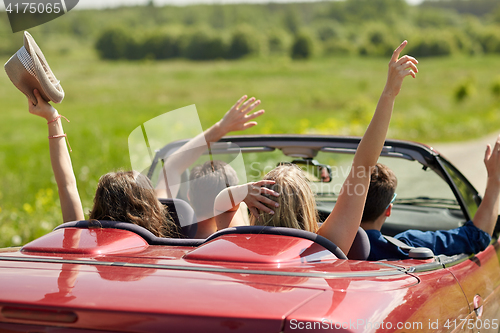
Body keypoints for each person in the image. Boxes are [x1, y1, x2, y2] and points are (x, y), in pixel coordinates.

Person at [214, 40, 419, 256]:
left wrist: (242, 191)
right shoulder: (322, 248)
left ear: (255, 206)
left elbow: (221, 204)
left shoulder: (235, 243)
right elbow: (364, 164)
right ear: (307, 208)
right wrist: (389, 93)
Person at [155, 95, 263, 238]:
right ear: (234, 205)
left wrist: (221, 127)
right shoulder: (238, 242)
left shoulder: (162, 231)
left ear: (189, 196)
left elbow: (172, 166)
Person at [360, 150, 500, 260]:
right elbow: (476, 237)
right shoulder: (406, 246)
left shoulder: (338, 248)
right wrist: (494, 179)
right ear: (388, 210)